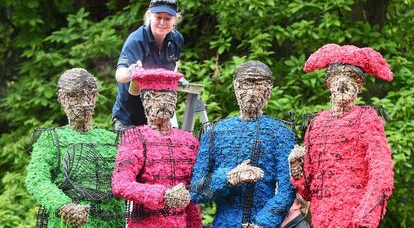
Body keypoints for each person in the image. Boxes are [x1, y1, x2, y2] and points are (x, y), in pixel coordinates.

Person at [289, 44, 394, 228]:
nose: (343, 83)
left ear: (359, 86)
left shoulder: (368, 119)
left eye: (351, 77)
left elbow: (381, 175)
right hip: (322, 219)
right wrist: (296, 167)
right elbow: (307, 190)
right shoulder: (316, 123)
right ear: (328, 83)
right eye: (337, 76)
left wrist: (365, 218)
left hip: (356, 219)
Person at [190, 61, 296, 228]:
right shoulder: (214, 132)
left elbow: (287, 190)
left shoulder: (281, 133)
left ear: (268, 91)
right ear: (236, 88)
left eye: (259, 86)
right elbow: (197, 191)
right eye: (245, 85)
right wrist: (228, 177)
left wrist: (263, 223)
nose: (252, 93)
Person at [26, 68, 125, 228]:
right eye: (76, 97)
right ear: (62, 98)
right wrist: (64, 206)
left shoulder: (112, 139)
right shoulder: (52, 139)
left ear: (96, 96)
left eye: (90, 95)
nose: (85, 104)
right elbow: (37, 179)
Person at [111, 69, 202, 228]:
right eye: (155, 96)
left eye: (169, 96)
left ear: (175, 100)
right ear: (145, 100)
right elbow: (120, 184)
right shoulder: (134, 137)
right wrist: (161, 195)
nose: (163, 103)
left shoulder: (189, 140)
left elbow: (192, 197)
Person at [113, 0, 184, 131]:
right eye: (158, 17)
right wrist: (131, 71)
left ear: (175, 20)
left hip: (160, 118)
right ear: (149, 16)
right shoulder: (136, 40)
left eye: (168, 18)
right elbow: (119, 75)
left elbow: (175, 65)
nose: (162, 23)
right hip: (130, 118)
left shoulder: (177, 39)